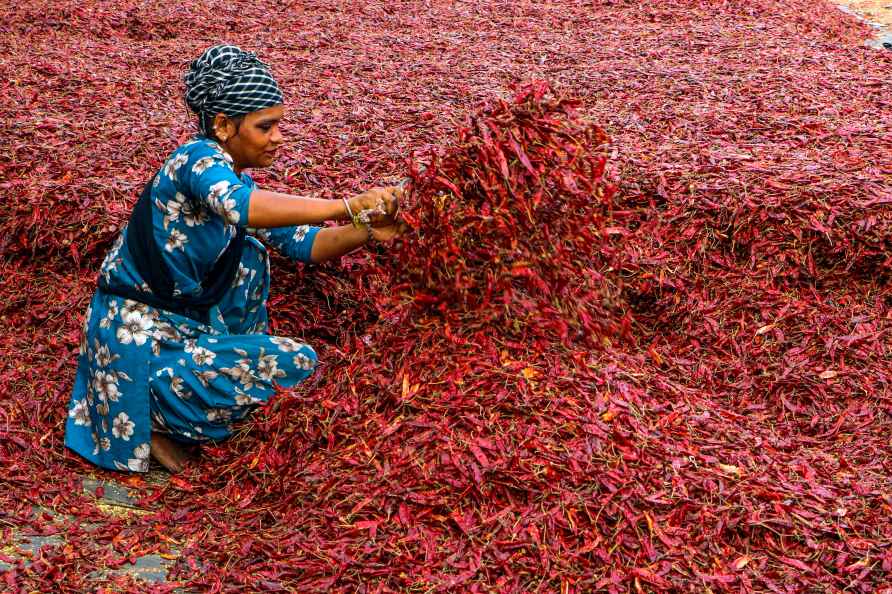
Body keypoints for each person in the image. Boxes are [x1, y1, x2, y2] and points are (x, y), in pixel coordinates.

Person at [64, 45, 402, 473]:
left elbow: (305, 243)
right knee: (298, 362)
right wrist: (346, 204)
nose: (278, 137)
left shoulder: (236, 181)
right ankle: (146, 414)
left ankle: (169, 412)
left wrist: (367, 228)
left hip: (184, 334)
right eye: (266, 126)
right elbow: (241, 206)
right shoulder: (195, 160)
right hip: (142, 344)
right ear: (223, 125)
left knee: (254, 262)